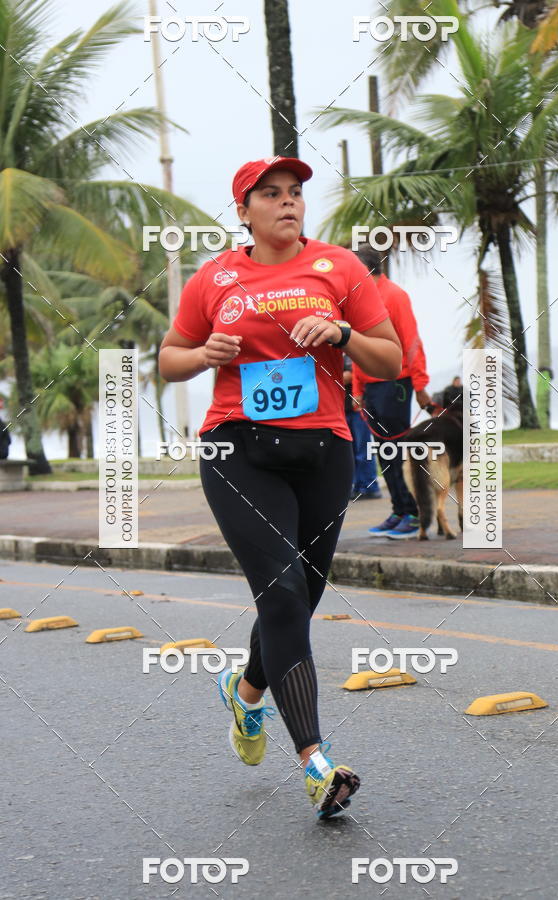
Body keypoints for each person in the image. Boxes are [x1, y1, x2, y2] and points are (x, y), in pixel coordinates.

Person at [158, 157, 402, 819]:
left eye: (295, 193)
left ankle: (244, 693)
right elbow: (169, 357)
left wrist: (345, 334)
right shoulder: (215, 278)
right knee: (284, 594)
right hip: (238, 451)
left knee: (301, 596)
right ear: (244, 210)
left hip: (324, 450)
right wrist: (205, 355)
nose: (287, 203)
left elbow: (391, 358)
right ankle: (316, 763)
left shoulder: (340, 269)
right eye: (270, 194)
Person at [351, 246, 431, 540]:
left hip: (396, 382)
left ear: (365, 268)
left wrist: (421, 385)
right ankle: (398, 509)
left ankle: (413, 512)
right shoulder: (358, 299)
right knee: (384, 452)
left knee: (397, 449)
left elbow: (411, 342)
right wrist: (358, 390)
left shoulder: (394, 295)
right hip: (371, 386)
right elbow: (358, 348)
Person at [343, 353, 382, 499]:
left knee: (363, 449)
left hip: (359, 408)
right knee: (352, 451)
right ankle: (358, 487)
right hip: (345, 408)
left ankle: (370, 486)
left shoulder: (350, 353)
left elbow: (349, 375)